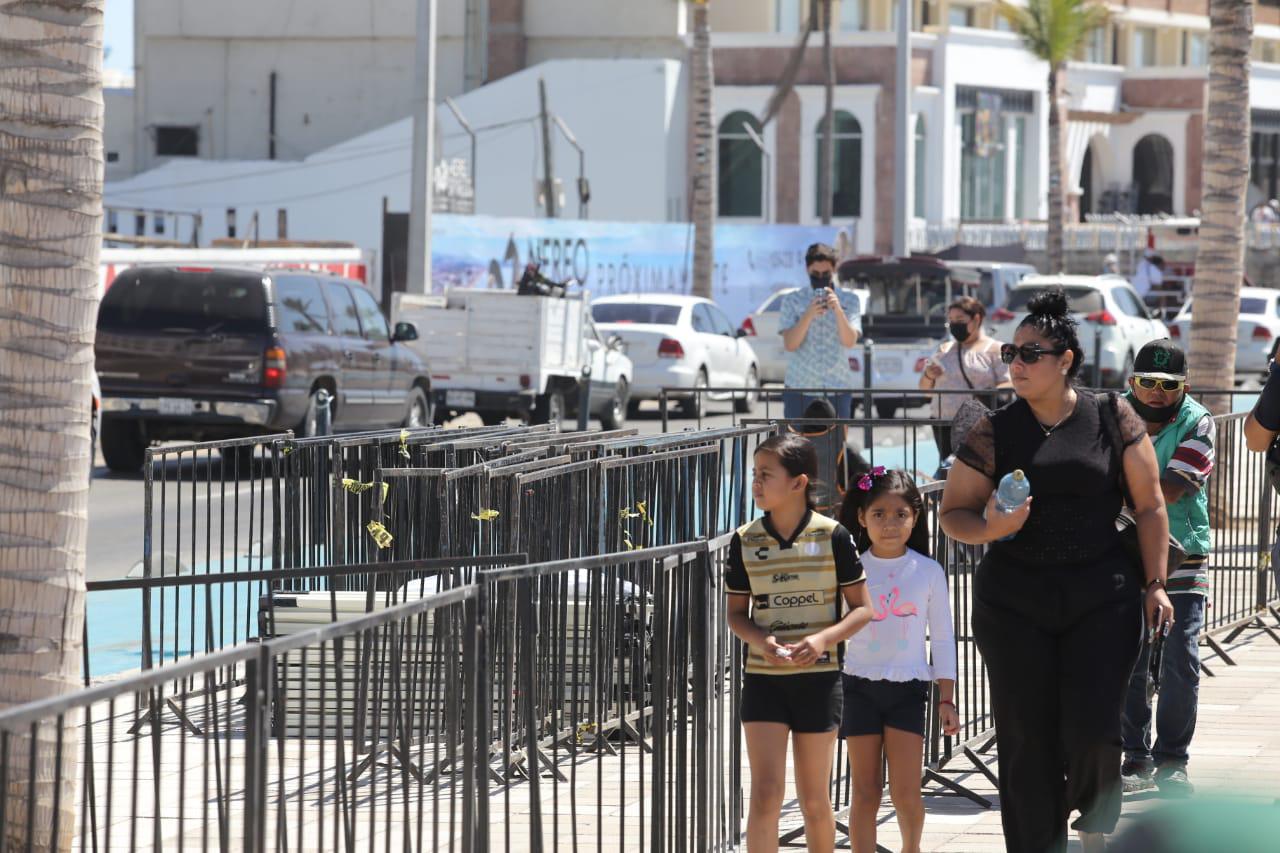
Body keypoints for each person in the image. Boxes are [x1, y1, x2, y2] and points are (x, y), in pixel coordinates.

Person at [938, 288, 1174, 853]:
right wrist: (993, 528)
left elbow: (1150, 506)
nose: (1015, 364)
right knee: (1025, 739)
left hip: (1103, 595)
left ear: (1065, 359)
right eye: (1011, 354)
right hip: (1014, 602)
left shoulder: (1110, 415)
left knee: (1095, 731)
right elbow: (953, 514)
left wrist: (1157, 584)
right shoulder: (993, 429)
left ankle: (1093, 831)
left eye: (1030, 354)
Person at [724, 433, 875, 852]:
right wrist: (763, 639)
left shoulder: (834, 536)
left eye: (766, 475)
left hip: (820, 681)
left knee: (813, 800)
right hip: (763, 680)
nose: (756, 483)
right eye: (754, 474)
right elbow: (736, 614)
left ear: (798, 482)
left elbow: (863, 609)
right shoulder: (745, 540)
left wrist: (822, 639)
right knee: (766, 793)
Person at [837, 469, 959, 853]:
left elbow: (942, 636)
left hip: (908, 689)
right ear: (861, 517)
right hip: (857, 687)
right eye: (879, 514)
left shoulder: (928, 571)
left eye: (900, 514)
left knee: (906, 791)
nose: (890, 524)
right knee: (865, 790)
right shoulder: (849, 569)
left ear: (915, 517)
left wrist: (946, 697)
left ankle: (912, 848)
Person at [1119, 340, 1214, 798]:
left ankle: (1172, 760)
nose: (1157, 392)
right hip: (1124, 552)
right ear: (1132, 382)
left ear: (1185, 386)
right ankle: (1135, 757)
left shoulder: (1199, 421)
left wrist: (1114, 487)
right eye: (1147, 383)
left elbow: (1171, 490)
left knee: (1182, 661)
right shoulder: (1111, 415)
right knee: (1129, 659)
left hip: (1183, 555)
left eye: (1168, 385)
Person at [919, 296, 1010, 458]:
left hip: (978, 425)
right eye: (951, 320)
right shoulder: (944, 349)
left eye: (960, 319)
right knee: (947, 469)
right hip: (943, 422)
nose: (954, 325)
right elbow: (925, 391)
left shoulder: (996, 349)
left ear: (976, 319)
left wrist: (985, 393)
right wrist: (928, 374)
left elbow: (1009, 384)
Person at [779, 243, 862, 419]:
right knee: (795, 445)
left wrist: (838, 310)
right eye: (815, 274)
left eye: (826, 274)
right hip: (800, 386)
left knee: (837, 445)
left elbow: (850, 342)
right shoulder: (792, 300)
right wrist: (808, 314)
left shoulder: (850, 299)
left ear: (834, 270)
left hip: (837, 386)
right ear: (807, 269)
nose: (821, 278)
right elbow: (790, 344)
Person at [791, 398, 849, 516]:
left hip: (797, 508)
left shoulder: (791, 445)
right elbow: (863, 470)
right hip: (832, 508)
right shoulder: (839, 444)